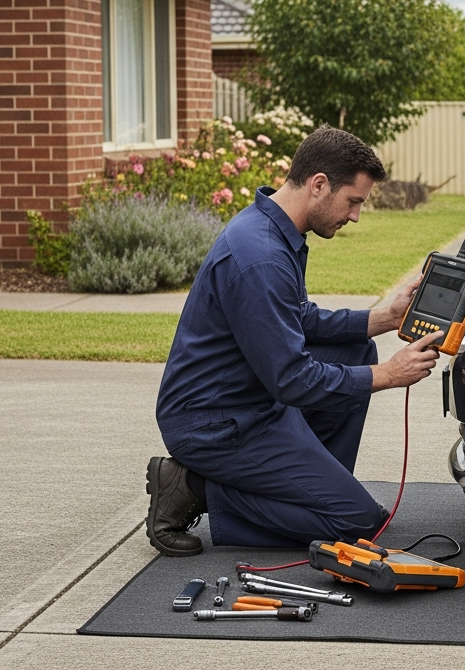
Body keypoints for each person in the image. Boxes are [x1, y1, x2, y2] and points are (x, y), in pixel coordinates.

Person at [145, 126, 442, 556]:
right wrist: (389, 375)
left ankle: (312, 490)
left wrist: (385, 318)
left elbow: (295, 317)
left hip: (248, 399)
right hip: (215, 425)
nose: (355, 215)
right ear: (319, 185)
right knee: (356, 523)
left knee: (355, 348)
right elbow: (292, 379)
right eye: (353, 201)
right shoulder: (260, 256)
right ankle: (195, 487)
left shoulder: (272, 230)